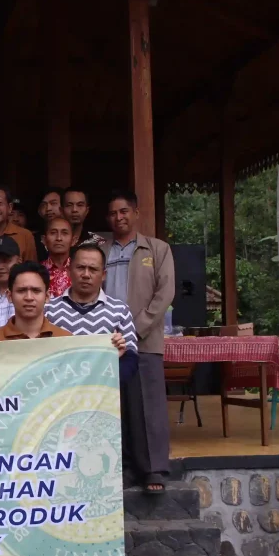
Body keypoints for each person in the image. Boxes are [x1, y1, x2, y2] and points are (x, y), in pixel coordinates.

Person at [103, 190, 175, 493]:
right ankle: (124, 468)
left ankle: (154, 470)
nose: (118, 218)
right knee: (113, 407)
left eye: (124, 212)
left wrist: (137, 327)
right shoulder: (101, 250)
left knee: (147, 406)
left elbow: (165, 293)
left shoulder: (156, 249)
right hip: (105, 339)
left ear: (135, 213)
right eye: (113, 213)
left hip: (144, 339)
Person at [45, 242, 136, 375]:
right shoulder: (49, 309)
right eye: (80, 267)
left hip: (104, 390)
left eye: (93, 269)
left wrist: (103, 377)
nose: (86, 274)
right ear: (69, 271)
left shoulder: (120, 310)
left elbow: (131, 358)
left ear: (104, 275)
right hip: (58, 390)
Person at [0, 263, 72, 343]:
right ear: (9, 296)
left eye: (36, 291)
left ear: (47, 296)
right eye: (21, 290)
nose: (29, 297)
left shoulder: (66, 340)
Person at [42, 216, 74, 298]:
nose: (59, 238)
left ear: (73, 240)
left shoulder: (80, 270)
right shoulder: (36, 271)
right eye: (53, 233)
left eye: (64, 233)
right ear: (44, 240)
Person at [36, 187, 65, 260]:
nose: (48, 208)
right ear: (39, 211)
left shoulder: (72, 236)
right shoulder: (33, 240)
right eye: (44, 205)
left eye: (53, 203)